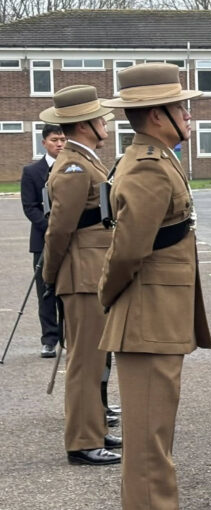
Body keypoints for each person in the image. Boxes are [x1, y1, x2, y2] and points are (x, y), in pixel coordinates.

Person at [98, 63, 211, 509]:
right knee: (149, 445)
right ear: (155, 115)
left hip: (158, 316)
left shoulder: (160, 158)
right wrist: (107, 294)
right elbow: (129, 250)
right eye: (181, 108)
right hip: (147, 317)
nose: (188, 115)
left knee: (154, 436)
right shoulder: (148, 167)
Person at [39, 85, 121, 466]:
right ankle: (82, 441)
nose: (106, 123)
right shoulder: (73, 166)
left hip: (93, 273)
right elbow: (59, 230)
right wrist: (51, 275)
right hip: (82, 275)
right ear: (85, 124)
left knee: (97, 360)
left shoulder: (85, 160)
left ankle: (95, 428)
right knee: (85, 362)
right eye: (100, 118)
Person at [20, 124, 65, 358]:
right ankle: (49, 339)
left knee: (70, 290)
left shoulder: (73, 168)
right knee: (46, 291)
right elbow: (30, 207)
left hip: (70, 240)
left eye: (63, 139)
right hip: (43, 239)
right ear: (44, 142)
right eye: (55, 140)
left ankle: (70, 337)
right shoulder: (31, 172)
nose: (60, 144)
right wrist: (51, 229)